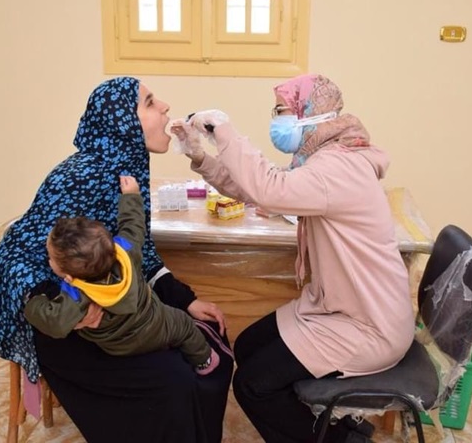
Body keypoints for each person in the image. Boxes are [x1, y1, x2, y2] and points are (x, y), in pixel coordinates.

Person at [0, 77, 233, 443]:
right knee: (172, 379)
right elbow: (15, 255)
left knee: (210, 344)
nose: (164, 106)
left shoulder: (125, 168)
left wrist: (185, 299)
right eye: (149, 102)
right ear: (122, 122)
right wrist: (69, 310)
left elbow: (136, 249)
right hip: (64, 318)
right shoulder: (78, 176)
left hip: (107, 306)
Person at [176, 74, 414, 442]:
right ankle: (332, 427)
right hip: (338, 308)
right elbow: (256, 189)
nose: (278, 120)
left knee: (253, 386)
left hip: (368, 324)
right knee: (248, 346)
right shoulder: (325, 158)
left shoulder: (338, 168)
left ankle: (341, 440)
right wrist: (201, 157)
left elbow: (268, 190)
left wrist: (224, 131)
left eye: (282, 111)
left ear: (311, 113)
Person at [24, 175, 219, 375]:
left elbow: (53, 321)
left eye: (50, 257)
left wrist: (33, 302)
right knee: (184, 324)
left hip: (119, 349)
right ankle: (205, 362)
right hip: (158, 324)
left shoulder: (76, 295)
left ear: (67, 274)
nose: (48, 260)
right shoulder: (125, 251)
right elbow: (134, 225)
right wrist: (131, 196)